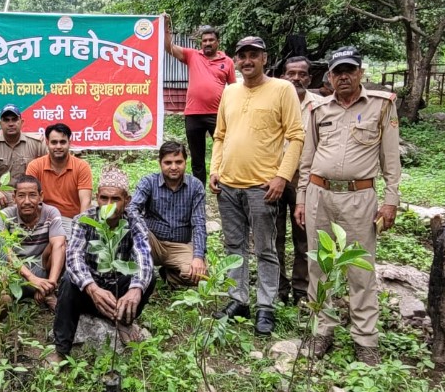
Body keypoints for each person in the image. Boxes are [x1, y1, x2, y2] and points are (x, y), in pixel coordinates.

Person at [296, 46, 401, 366]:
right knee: (319, 265)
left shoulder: (381, 106)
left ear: (360, 73)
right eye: (337, 71)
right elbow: (307, 158)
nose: (343, 76)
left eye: (349, 70)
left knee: (360, 269)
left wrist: (391, 200)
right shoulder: (318, 109)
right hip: (319, 195)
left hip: (359, 198)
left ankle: (365, 339)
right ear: (329, 76)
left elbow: (391, 158)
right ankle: (321, 330)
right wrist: (301, 198)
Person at [209, 36, 304, 336]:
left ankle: (266, 305)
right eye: (242, 56)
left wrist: (282, 177)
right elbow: (220, 135)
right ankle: (238, 299)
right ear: (235, 60)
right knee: (234, 246)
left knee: (265, 248)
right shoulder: (230, 92)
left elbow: (296, 136)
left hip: (262, 187)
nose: (247, 60)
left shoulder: (282, 89)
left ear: (265, 58)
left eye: (253, 55)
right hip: (228, 185)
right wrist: (215, 169)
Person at [49, 167, 155, 364]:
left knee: (148, 277)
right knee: (68, 280)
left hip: (118, 292)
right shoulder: (84, 220)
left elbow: (144, 256)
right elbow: (74, 258)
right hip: (90, 291)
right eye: (104, 198)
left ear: (127, 200)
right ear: (96, 197)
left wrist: (136, 289)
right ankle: (62, 349)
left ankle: (123, 320)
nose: (108, 205)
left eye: (115, 199)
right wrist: (92, 288)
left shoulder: (134, 221)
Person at [164, 18, 237, 184]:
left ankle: (225, 187)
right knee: (197, 159)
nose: (207, 43)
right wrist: (166, 25)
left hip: (217, 115)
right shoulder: (192, 55)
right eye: (204, 41)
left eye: (211, 40)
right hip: (193, 115)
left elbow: (234, 90)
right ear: (201, 43)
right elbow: (169, 47)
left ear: (218, 42)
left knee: (225, 152)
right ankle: (199, 193)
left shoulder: (227, 62)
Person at [127, 141, 207, 286]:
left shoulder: (195, 186)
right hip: (151, 242)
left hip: (179, 246)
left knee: (200, 276)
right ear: (160, 163)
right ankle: (143, 271)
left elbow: (199, 224)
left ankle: (169, 274)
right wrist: (142, 231)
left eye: (178, 162)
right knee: (129, 233)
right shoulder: (148, 182)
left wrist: (198, 257)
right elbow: (132, 209)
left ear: (185, 162)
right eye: (168, 162)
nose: (174, 167)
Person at [277, 56, 321, 305]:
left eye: (301, 74)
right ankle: (279, 289)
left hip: (306, 180)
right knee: (275, 236)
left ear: (309, 77)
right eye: (291, 73)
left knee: (305, 236)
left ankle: (302, 289)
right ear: (283, 76)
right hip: (274, 177)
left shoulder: (320, 105)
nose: (296, 78)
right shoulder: (274, 100)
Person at [0, 175, 67, 309]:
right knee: (2, 291)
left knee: (62, 244)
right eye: (21, 196)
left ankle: (48, 292)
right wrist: (32, 279)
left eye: (32, 195)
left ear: (41, 196)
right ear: (14, 197)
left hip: (41, 266)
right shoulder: (4, 216)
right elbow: (6, 251)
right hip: (14, 271)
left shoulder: (51, 212)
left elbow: (58, 245)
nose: (27, 201)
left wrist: (49, 284)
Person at [0, 104, 47, 206]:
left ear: (21, 122)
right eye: (6, 120)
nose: (11, 124)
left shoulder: (36, 143)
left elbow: (52, 163)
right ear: (0, 123)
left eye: (14, 119)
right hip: (0, 193)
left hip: (28, 194)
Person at [25, 123, 93, 234]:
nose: (58, 146)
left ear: (69, 143)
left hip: (71, 221)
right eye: (54, 142)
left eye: (62, 142)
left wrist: (80, 229)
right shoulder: (35, 166)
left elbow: (86, 201)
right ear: (47, 143)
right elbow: (30, 198)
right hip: (43, 221)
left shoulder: (81, 167)